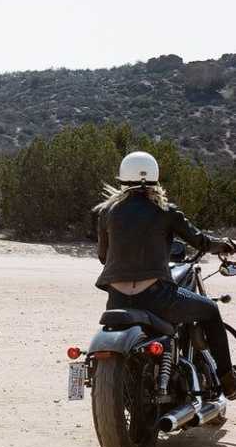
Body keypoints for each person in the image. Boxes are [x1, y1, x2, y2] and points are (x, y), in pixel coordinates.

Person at [94, 151, 236, 400]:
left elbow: (104, 257)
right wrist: (224, 244)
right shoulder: (165, 211)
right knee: (211, 311)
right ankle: (228, 382)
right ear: (155, 178)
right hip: (157, 298)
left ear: (123, 178)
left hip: (117, 299)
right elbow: (201, 242)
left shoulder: (107, 212)